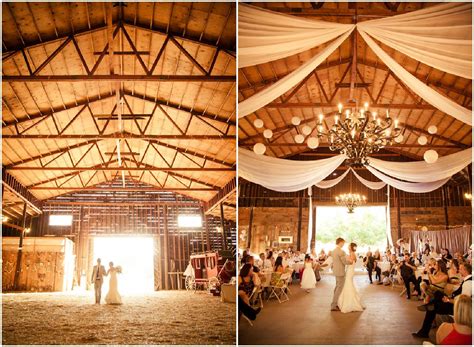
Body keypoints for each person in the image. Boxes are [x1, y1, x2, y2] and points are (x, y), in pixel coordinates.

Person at [413, 262, 472, 339]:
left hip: (457, 307)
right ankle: (430, 305)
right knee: (438, 294)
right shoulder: (466, 281)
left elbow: (463, 303)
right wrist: (449, 297)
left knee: (433, 307)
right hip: (453, 301)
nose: (458, 270)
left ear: (465, 270)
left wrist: (448, 300)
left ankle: (424, 331)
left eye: (460, 269)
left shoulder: (468, 283)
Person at [337, 242, 365, 313]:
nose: (348, 246)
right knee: (348, 284)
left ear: (351, 247)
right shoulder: (351, 253)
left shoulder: (352, 254)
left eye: (349, 245)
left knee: (348, 284)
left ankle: (350, 303)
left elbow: (351, 262)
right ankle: (347, 300)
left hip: (350, 270)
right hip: (349, 270)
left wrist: (345, 258)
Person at [330, 237, 354, 311]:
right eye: (343, 243)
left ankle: (335, 303)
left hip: (336, 271)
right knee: (339, 288)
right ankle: (334, 305)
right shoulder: (341, 251)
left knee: (337, 287)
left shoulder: (333, 251)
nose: (343, 244)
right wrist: (351, 262)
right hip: (340, 272)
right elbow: (344, 262)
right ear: (340, 242)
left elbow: (333, 262)